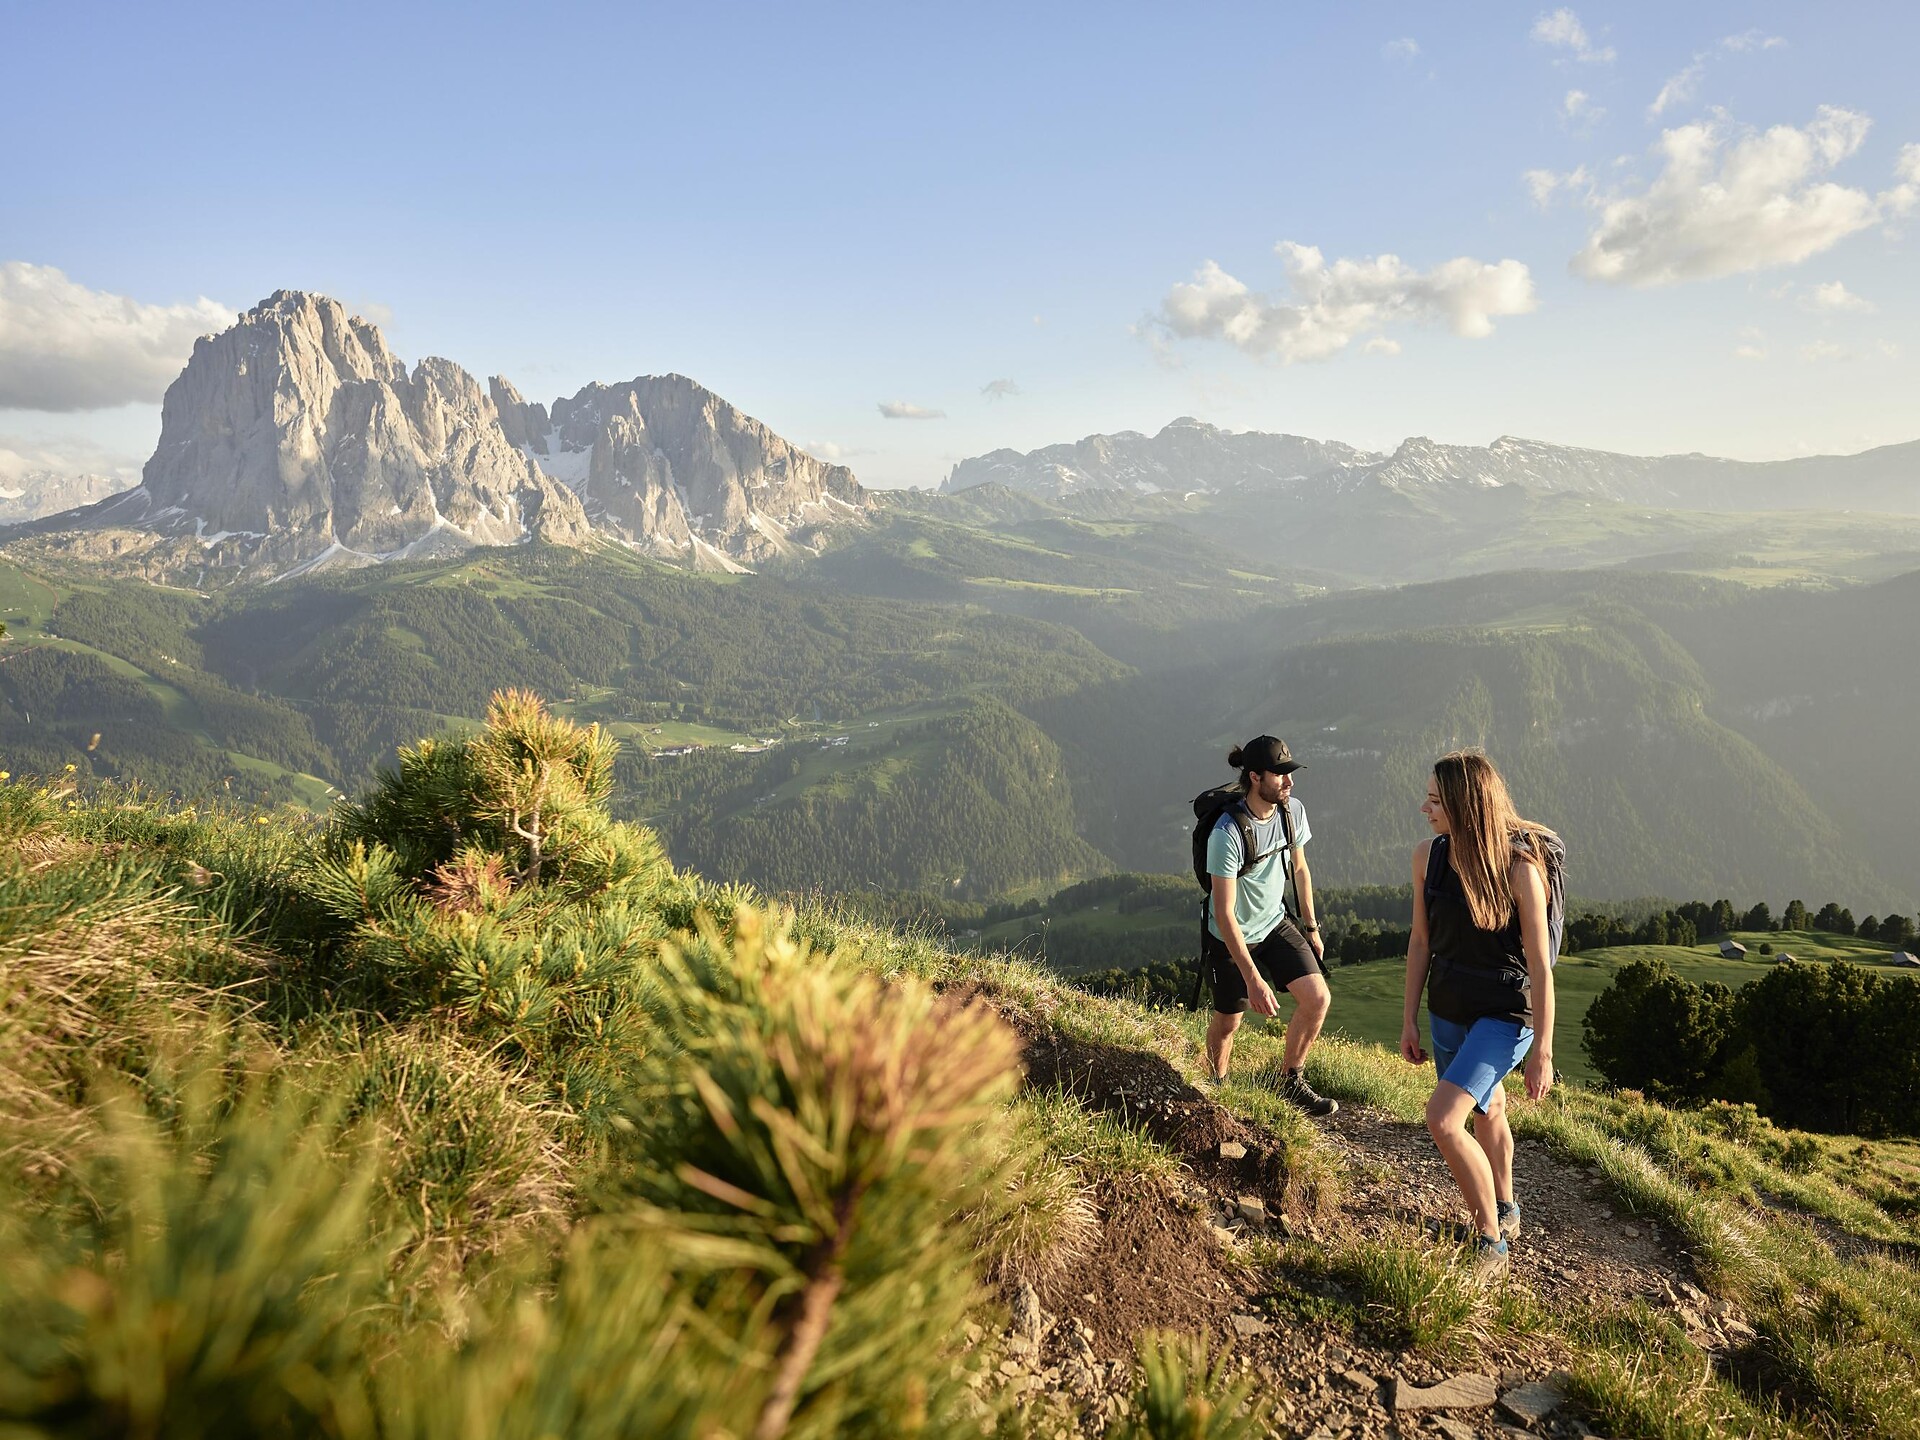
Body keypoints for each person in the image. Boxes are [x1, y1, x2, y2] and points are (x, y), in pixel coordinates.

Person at [1400, 750, 1558, 1281]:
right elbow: (1420, 942)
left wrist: (1542, 1050)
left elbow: (1540, 965)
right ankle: (1508, 1202)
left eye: (1436, 800)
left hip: (1504, 1017)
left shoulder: (1520, 871)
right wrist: (1408, 1019)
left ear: (1467, 806)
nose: (1425, 807)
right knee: (1488, 1112)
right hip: (1447, 1008)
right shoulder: (1427, 857)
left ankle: (1489, 1239)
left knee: (1444, 1119)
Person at [1202, 734, 1337, 1116]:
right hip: (1229, 935)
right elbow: (1225, 912)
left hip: (1274, 923)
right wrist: (1252, 977)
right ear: (1255, 777)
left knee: (1318, 998)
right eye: (1280, 774)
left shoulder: (1292, 811)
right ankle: (1216, 1091)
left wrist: (1311, 927)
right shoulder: (1226, 834)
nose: (1289, 782)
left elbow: (1300, 868)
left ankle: (1290, 1080)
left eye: (1289, 773)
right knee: (1230, 1021)